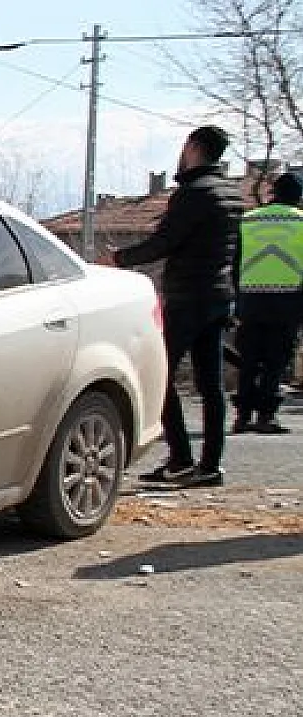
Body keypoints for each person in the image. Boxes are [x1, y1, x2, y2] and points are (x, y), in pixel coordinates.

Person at [99, 125, 244, 488]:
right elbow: (235, 250)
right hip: (219, 296)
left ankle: (180, 458)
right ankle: (210, 465)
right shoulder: (231, 193)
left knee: (159, 373)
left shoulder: (194, 193)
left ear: (192, 148)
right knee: (211, 385)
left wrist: (118, 259)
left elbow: (164, 242)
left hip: (188, 297)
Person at [232, 171, 303, 435]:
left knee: (249, 360)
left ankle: (242, 416)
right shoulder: (301, 221)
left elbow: (235, 262)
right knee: (276, 361)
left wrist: (239, 296)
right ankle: (266, 415)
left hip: (251, 300)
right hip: (288, 301)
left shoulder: (249, 220)